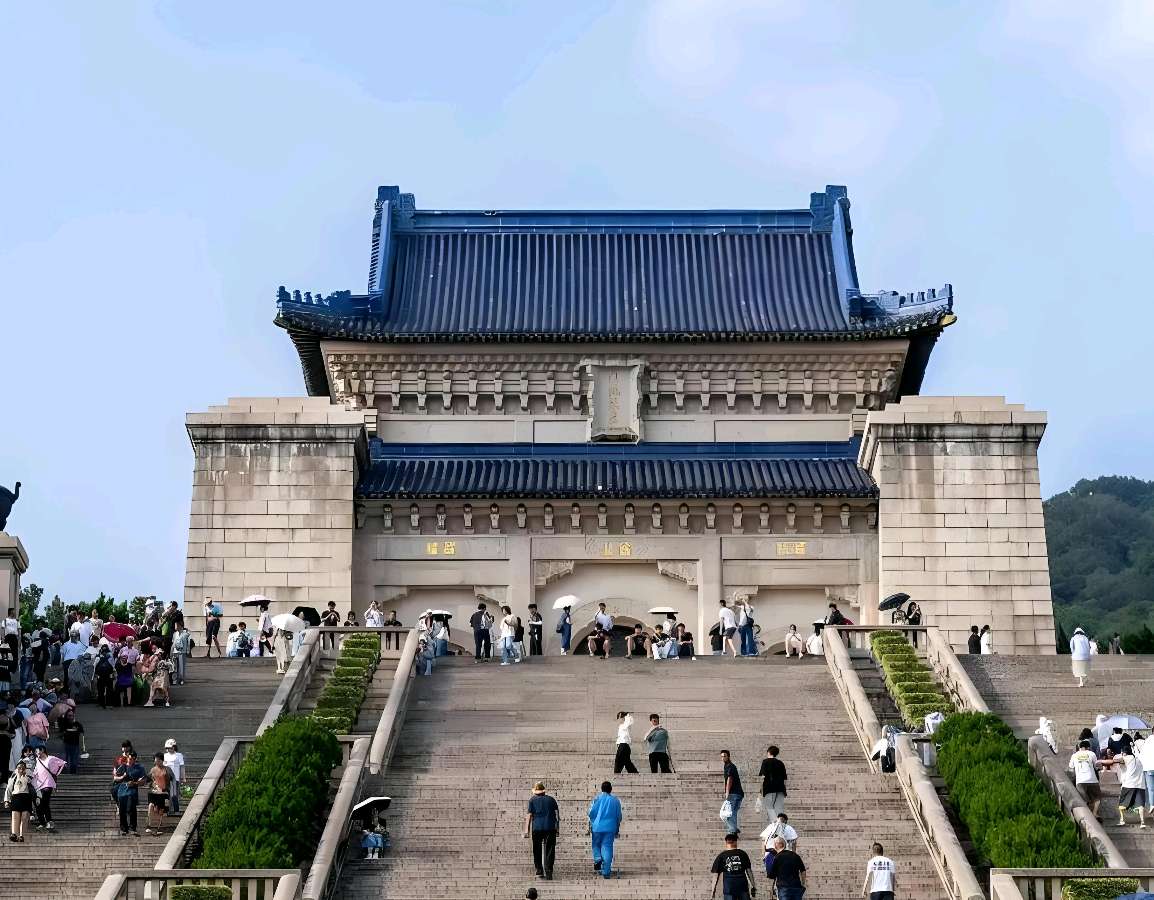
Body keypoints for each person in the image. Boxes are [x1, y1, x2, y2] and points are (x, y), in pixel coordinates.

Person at [524, 781, 560, 880]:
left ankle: (539, 870)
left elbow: (529, 815)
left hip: (537, 828)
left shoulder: (532, 800)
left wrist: (526, 830)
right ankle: (549, 871)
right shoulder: (551, 800)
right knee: (550, 850)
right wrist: (557, 829)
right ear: (544, 791)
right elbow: (557, 816)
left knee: (537, 849)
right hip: (550, 827)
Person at [587, 780, 622, 879]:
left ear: (601, 789)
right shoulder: (615, 800)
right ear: (611, 789)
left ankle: (598, 858)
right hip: (610, 827)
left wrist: (591, 824)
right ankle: (606, 871)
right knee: (607, 847)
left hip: (597, 826)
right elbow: (619, 816)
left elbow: (590, 813)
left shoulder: (597, 799)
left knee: (596, 845)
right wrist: (617, 828)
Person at [711, 832, 756, 900]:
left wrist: (713, 891)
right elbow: (749, 871)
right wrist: (753, 885)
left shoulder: (721, 856)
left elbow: (715, 875)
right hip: (742, 887)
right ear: (735, 842)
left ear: (726, 842)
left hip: (729, 888)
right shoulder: (743, 854)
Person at [113, 750, 148, 836]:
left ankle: (132, 828)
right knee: (122, 809)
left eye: (132, 759)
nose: (130, 760)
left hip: (132, 789)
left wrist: (135, 783)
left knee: (131, 808)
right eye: (129, 758)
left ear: (135, 759)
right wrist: (123, 777)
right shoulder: (123, 766)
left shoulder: (140, 768)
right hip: (122, 789)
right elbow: (115, 778)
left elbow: (144, 780)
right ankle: (124, 828)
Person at [31, 746, 64, 831]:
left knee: (44, 802)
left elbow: (62, 763)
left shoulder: (51, 758)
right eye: (35, 752)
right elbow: (36, 771)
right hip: (39, 784)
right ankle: (43, 822)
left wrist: (55, 773)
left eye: (37, 751)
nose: (36, 753)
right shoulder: (37, 760)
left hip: (48, 784)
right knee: (39, 804)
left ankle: (48, 822)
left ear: (42, 750)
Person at [1115, 745, 1147, 827]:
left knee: (1121, 804)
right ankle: (1142, 822)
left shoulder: (1126, 757)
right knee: (1140, 805)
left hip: (1128, 784)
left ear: (1124, 753)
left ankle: (1122, 820)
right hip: (1140, 785)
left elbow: (1114, 761)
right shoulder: (1138, 759)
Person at [1069, 739, 1102, 816]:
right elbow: (1096, 766)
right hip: (1092, 780)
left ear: (1079, 747)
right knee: (1097, 798)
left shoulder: (1074, 755)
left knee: (1083, 800)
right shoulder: (1092, 754)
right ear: (1088, 747)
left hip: (1080, 781)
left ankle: (1086, 815)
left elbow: (1071, 767)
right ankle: (1094, 813)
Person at [4, 759, 35, 842]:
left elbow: (35, 787)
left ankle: (21, 835)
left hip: (26, 798)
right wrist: (7, 800)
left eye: (23, 768)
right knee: (15, 817)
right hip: (16, 797)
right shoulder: (13, 777)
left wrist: (38, 797)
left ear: (25, 769)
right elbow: (8, 789)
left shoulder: (29, 777)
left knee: (24, 818)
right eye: (19, 768)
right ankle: (14, 834)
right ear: (16, 768)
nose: (21, 770)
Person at [757, 745, 787, 822]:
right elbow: (784, 778)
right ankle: (780, 824)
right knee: (779, 809)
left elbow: (762, 777)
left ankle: (775, 825)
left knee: (769, 807)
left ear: (768, 752)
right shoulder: (781, 763)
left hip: (769, 788)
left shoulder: (765, 762)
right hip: (781, 789)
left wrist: (760, 791)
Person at [145, 752, 170, 835]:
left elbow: (169, 782)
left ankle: (159, 827)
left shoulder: (166, 770)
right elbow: (148, 780)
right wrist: (153, 785)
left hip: (163, 793)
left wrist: (163, 789)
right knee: (150, 806)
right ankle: (149, 825)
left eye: (158, 760)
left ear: (162, 760)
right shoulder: (153, 770)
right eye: (155, 760)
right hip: (154, 792)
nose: (156, 762)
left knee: (161, 810)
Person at [721, 749, 743, 833]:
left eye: (724, 756)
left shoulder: (729, 766)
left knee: (729, 813)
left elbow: (729, 780)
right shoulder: (728, 766)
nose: (723, 758)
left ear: (728, 756)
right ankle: (734, 829)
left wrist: (727, 793)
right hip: (738, 793)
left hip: (733, 793)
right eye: (721, 756)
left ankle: (732, 831)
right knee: (733, 812)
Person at [58, 709, 84, 774]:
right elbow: (60, 734)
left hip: (75, 745)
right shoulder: (64, 725)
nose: (71, 717)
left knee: (74, 762)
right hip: (66, 745)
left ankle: (73, 773)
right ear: (67, 716)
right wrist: (64, 734)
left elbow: (81, 734)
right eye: (69, 716)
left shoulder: (78, 724)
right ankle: (66, 772)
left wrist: (82, 746)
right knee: (66, 760)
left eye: (72, 715)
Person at [164, 739, 185, 817]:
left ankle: (176, 810)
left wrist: (183, 777)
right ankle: (168, 810)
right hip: (166, 778)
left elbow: (182, 767)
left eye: (170, 747)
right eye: (167, 748)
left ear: (174, 747)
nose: (169, 749)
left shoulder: (179, 755)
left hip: (175, 778)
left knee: (174, 795)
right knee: (167, 795)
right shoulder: (165, 756)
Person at [1136, 733, 1154, 816]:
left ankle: (1152, 804)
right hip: (1149, 766)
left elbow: (1140, 757)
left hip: (1148, 767)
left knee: (1151, 788)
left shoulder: (1147, 742)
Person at [170, 621, 191, 686]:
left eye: (177, 625)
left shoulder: (186, 634)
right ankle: (175, 679)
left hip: (182, 652)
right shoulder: (175, 634)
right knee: (175, 667)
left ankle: (181, 679)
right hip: (175, 651)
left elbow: (188, 642)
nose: (176, 627)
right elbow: (173, 643)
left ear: (180, 626)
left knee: (181, 666)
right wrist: (171, 651)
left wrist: (188, 650)